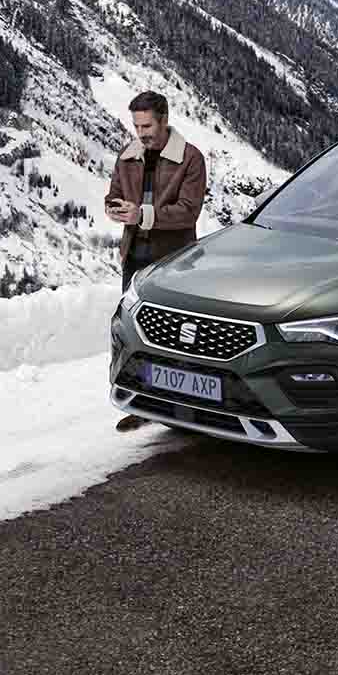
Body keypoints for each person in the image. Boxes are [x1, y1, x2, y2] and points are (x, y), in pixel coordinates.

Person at [106, 91, 208, 431]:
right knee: (135, 334)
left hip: (174, 261)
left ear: (164, 120)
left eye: (147, 125)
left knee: (176, 337)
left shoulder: (190, 159)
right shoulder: (128, 156)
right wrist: (114, 208)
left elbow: (188, 212)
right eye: (137, 126)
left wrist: (142, 214)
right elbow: (114, 194)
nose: (141, 133)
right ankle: (143, 402)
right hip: (134, 256)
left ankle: (187, 406)